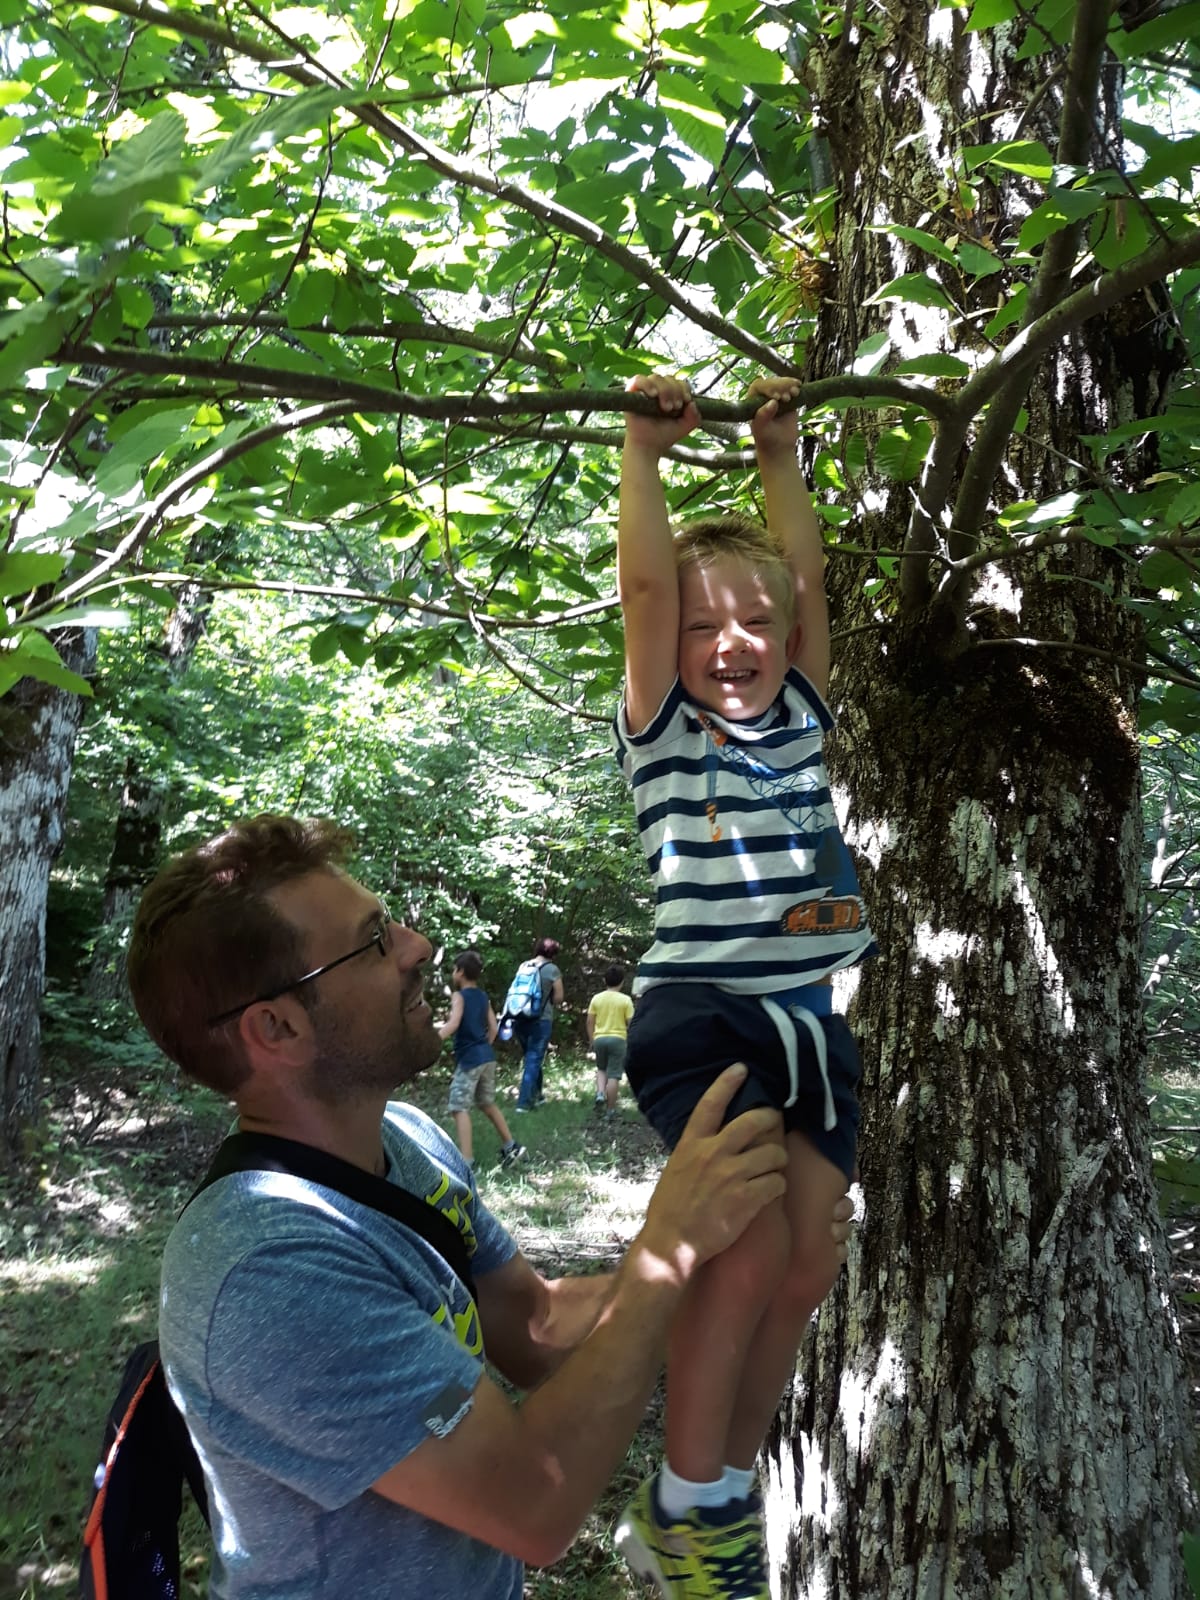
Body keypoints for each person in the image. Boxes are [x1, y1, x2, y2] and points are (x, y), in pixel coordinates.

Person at [125, 814, 855, 1600]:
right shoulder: (266, 1271)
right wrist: (666, 1248)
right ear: (276, 1027)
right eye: (373, 942)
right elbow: (531, 1503)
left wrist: (733, 1265)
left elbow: (533, 1325)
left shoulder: (404, 1139)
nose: (416, 947)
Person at [611, 372, 877, 1596]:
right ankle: (684, 1499)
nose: (734, 644)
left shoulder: (807, 711)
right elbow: (650, 584)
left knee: (810, 1255)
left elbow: (807, 579)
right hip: (704, 1012)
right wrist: (643, 453)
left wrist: (781, 454)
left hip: (811, 1023)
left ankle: (725, 1479)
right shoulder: (668, 723)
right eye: (707, 626)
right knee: (751, 1244)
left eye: (755, 626)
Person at [436, 949, 525, 1170]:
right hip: (487, 1056)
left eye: (455, 969)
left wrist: (432, 1039)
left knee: (459, 1107)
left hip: (470, 1060)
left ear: (461, 972)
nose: (453, 973)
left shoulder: (459, 996)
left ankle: (466, 1161)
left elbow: (454, 1023)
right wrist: (484, 1044)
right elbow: (494, 1027)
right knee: (486, 1103)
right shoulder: (483, 996)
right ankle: (511, 1146)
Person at [512, 936, 563, 1113]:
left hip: (519, 1017)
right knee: (533, 1060)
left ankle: (538, 1096)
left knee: (532, 1058)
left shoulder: (524, 966)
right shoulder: (552, 970)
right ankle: (523, 1104)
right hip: (540, 1020)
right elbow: (558, 998)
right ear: (553, 953)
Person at [586, 963, 635, 1114]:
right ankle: (611, 1110)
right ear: (622, 982)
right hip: (618, 1039)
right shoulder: (625, 1000)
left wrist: (591, 1039)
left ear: (604, 980)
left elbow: (589, 1021)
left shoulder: (597, 998)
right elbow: (631, 1023)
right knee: (613, 1074)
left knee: (601, 1069)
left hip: (600, 1038)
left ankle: (600, 1093)